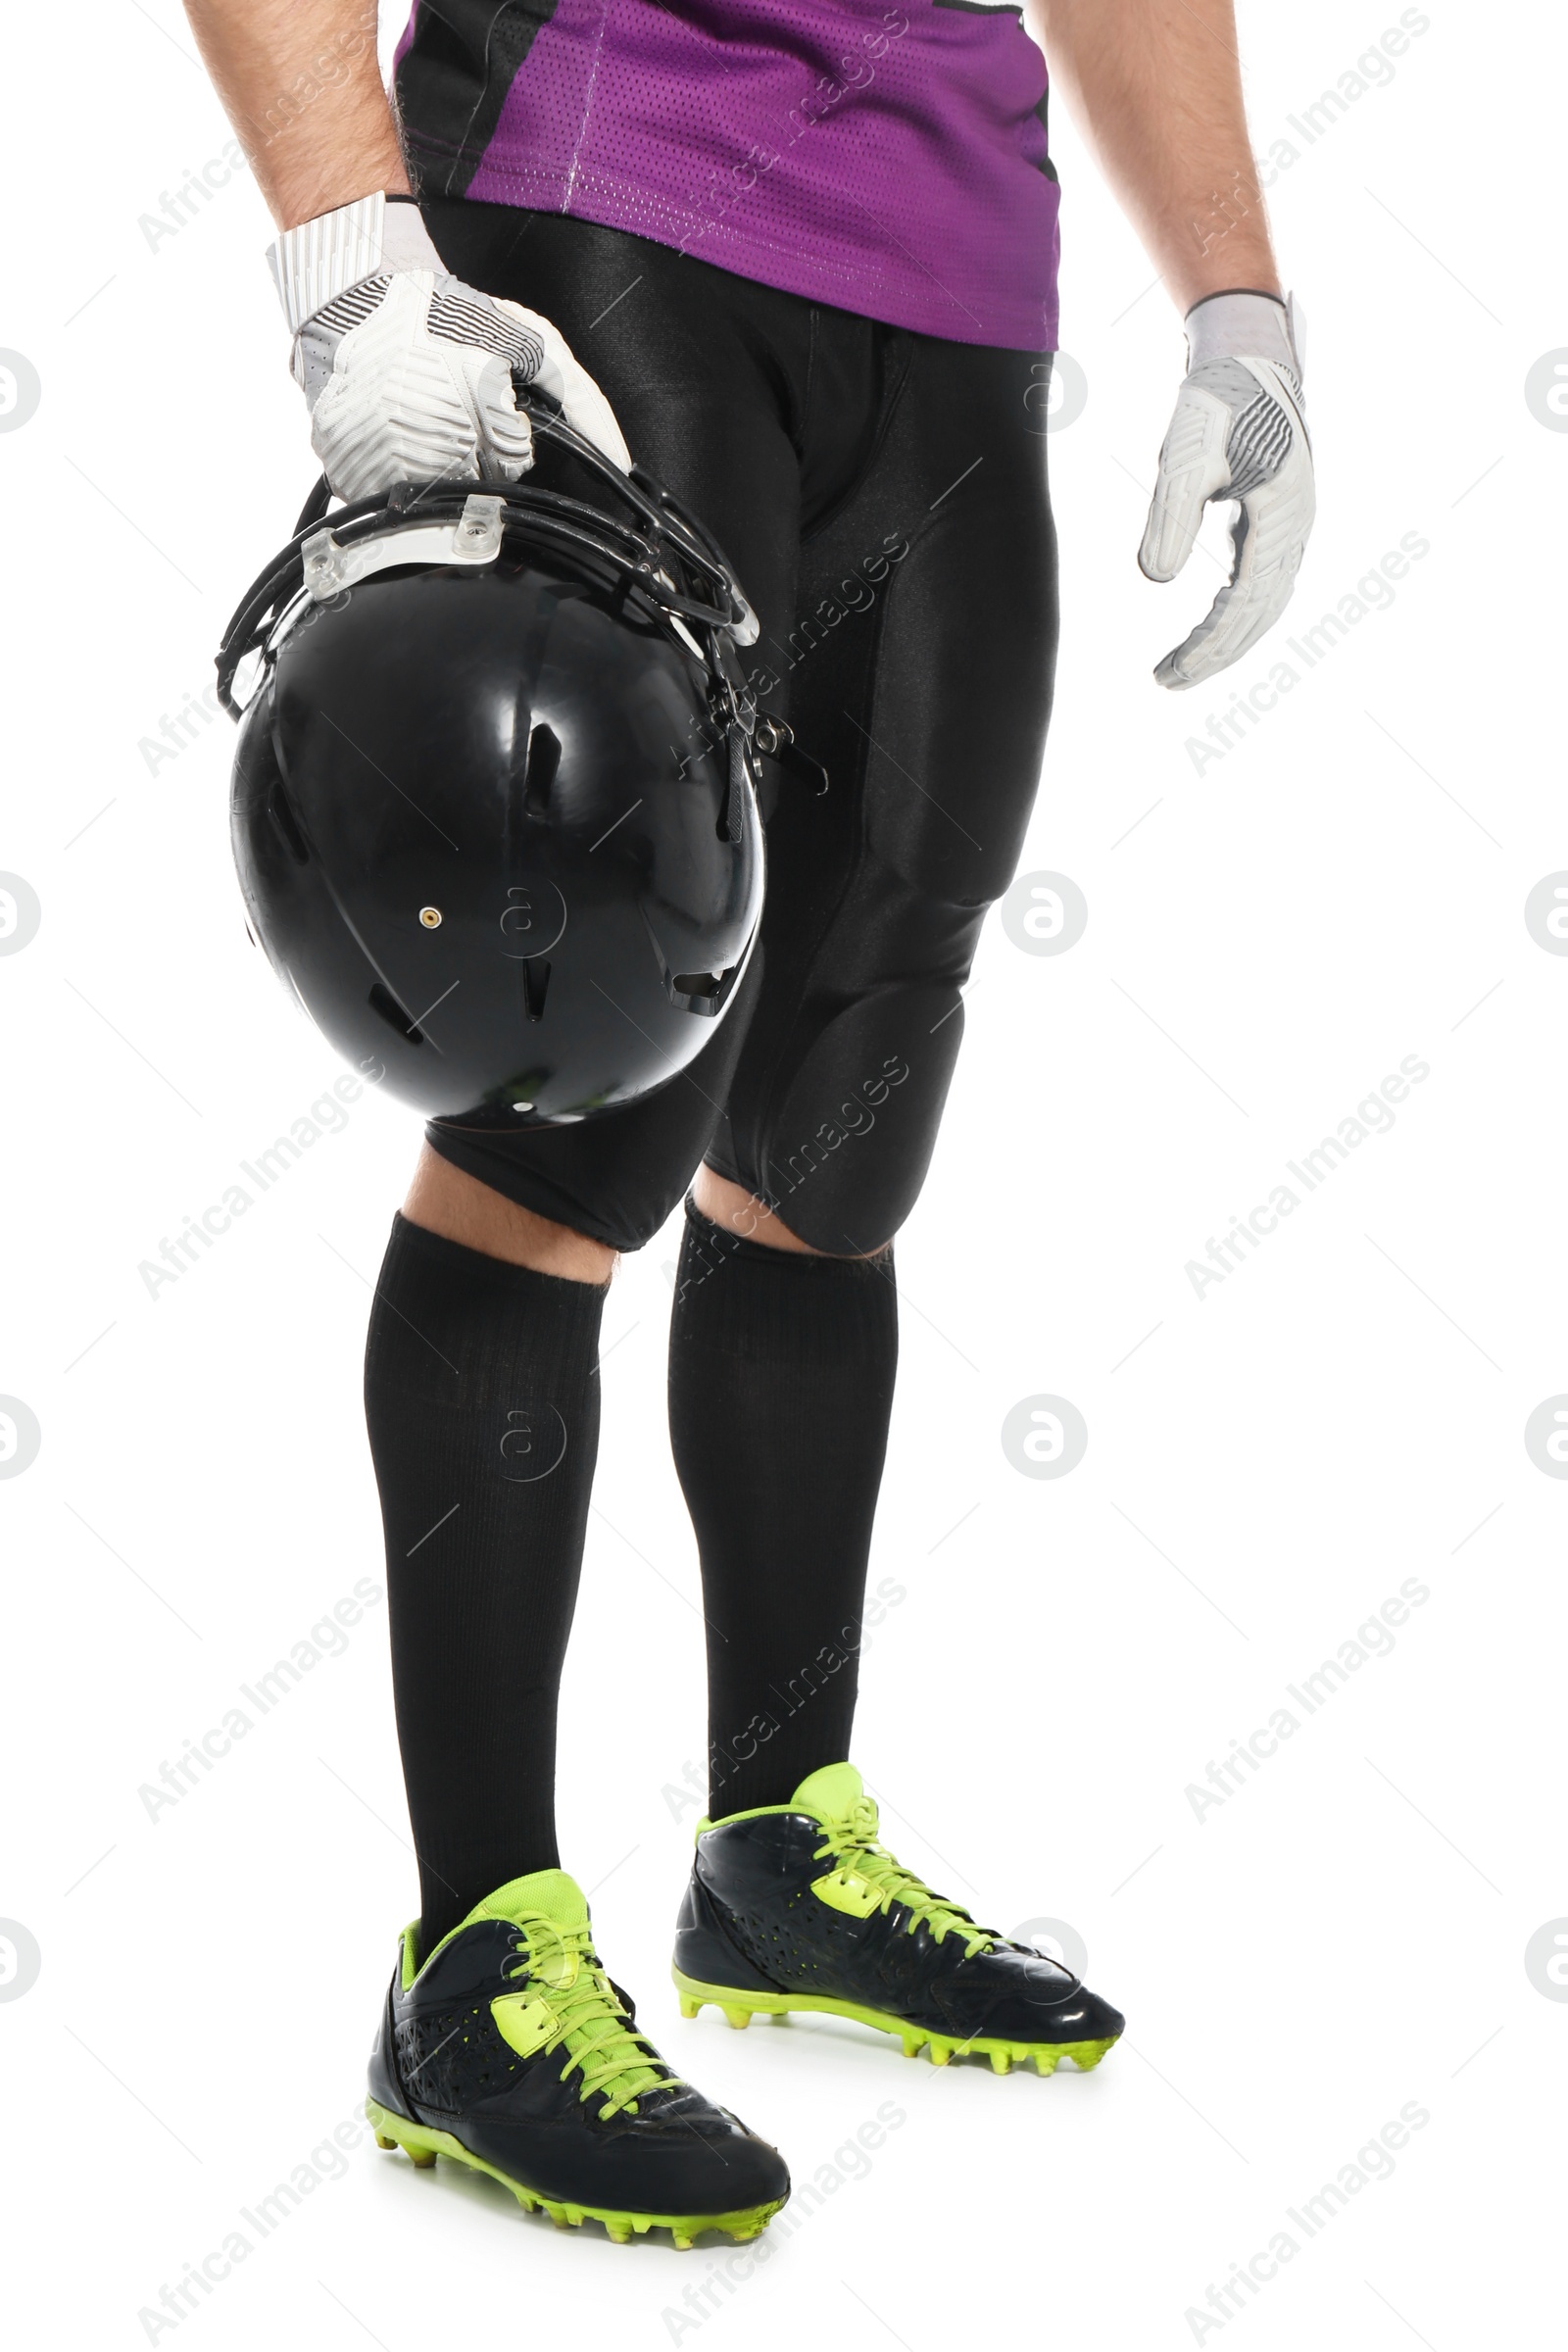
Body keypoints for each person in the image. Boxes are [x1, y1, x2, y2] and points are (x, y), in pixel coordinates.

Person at [183, 0, 1313, 2250]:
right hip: (609, 200)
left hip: (958, 277)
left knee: (846, 1097)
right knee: (567, 1074)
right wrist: (344, 253)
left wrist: (1235, 291)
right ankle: (479, 1955)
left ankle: (773, 1845)